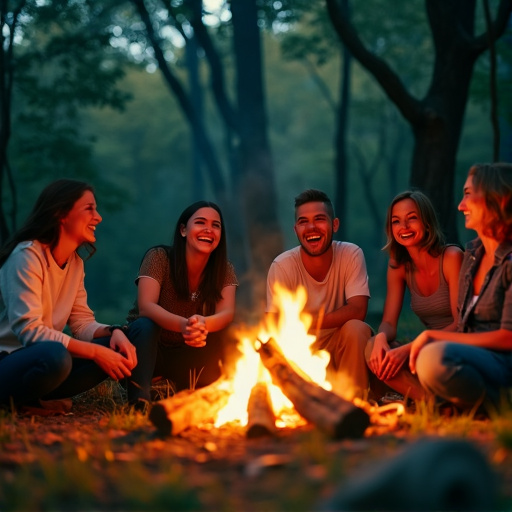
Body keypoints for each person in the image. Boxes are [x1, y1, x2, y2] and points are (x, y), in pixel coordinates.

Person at [0, 179, 137, 411]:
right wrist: (96, 352)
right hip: (9, 359)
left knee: (112, 347)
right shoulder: (26, 256)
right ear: (61, 214)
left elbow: (82, 323)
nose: (98, 217)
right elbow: (30, 332)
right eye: (89, 209)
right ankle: (20, 402)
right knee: (56, 356)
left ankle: (35, 398)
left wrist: (116, 332)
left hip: (42, 363)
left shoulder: (75, 263)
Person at [409, 163, 512, 413]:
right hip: (476, 360)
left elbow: (509, 338)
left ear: (497, 198)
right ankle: (468, 403)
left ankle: (495, 405)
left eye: (468, 194)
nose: (460, 205)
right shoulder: (473, 255)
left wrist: (433, 335)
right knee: (412, 359)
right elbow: (465, 327)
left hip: (504, 362)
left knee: (434, 358)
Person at [126, 201, 238, 403]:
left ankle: (200, 395)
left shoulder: (224, 269)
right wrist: (183, 325)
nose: (208, 229)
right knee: (144, 325)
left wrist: (202, 325)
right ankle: (139, 398)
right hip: (150, 350)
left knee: (228, 331)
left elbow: (227, 313)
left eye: (216, 225)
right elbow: (146, 307)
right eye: (200, 222)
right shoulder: (159, 257)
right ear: (183, 230)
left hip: (188, 352)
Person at [266, 189, 372, 400]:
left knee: (356, 328)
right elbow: (274, 325)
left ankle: (356, 402)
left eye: (319, 219)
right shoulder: (282, 266)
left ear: (335, 225)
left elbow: (358, 310)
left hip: (342, 348)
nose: (311, 227)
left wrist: (306, 321)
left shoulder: (351, 254)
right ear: (296, 229)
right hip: (302, 351)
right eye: (303, 221)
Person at [366, 191, 463, 401]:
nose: (404, 227)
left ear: (427, 223)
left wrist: (413, 347)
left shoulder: (452, 258)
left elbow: (461, 324)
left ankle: (437, 399)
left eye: (412, 218)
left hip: (458, 345)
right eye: (396, 221)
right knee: (372, 348)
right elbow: (389, 322)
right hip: (425, 347)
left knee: (418, 357)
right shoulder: (399, 266)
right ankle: (432, 402)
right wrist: (381, 337)